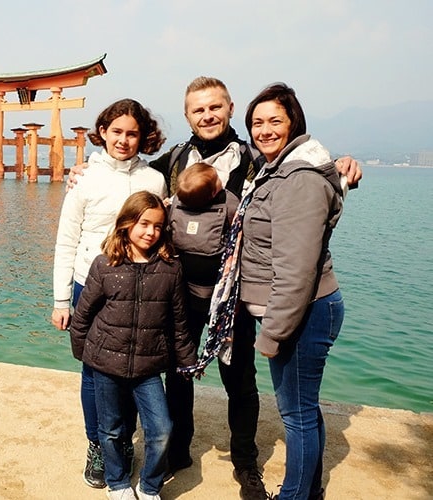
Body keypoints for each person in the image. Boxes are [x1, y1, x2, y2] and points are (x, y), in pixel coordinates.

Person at [68, 77, 362, 500]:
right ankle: (178, 450)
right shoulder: (173, 161)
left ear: (228, 109)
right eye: (197, 110)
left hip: (236, 292)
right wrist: (85, 168)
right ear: (188, 115)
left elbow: (299, 167)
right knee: (179, 372)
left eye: (214, 108)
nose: (207, 116)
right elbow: (131, 174)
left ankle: (244, 461)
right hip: (177, 289)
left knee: (237, 375)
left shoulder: (254, 157)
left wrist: (343, 163)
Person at [51, 98, 167, 489]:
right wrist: (61, 300)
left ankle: (121, 443)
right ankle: (98, 445)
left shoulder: (154, 180)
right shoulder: (84, 177)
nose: (123, 139)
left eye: (132, 133)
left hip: (140, 287)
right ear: (102, 132)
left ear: (143, 137)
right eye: (116, 131)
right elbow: (66, 240)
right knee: (93, 372)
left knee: (133, 369)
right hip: (90, 282)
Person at [237, 83, 345, 500]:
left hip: (304, 310)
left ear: (293, 122)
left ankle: (294, 495)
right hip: (302, 307)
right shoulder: (280, 168)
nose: (264, 130)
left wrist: (273, 333)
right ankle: (311, 488)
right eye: (257, 122)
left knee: (296, 413)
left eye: (274, 121)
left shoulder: (298, 178)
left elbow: (296, 270)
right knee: (304, 406)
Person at [69, 191, 196, 500]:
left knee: (162, 428)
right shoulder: (105, 264)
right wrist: (84, 353)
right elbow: (83, 313)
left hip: (148, 366)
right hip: (105, 363)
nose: (150, 232)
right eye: (143, 223)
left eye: (157, 226)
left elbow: (180, 321)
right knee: (111, 429)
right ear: (126, 223)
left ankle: (150, 486)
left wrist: (187, 360)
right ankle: (117, 482)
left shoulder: (171, 268)